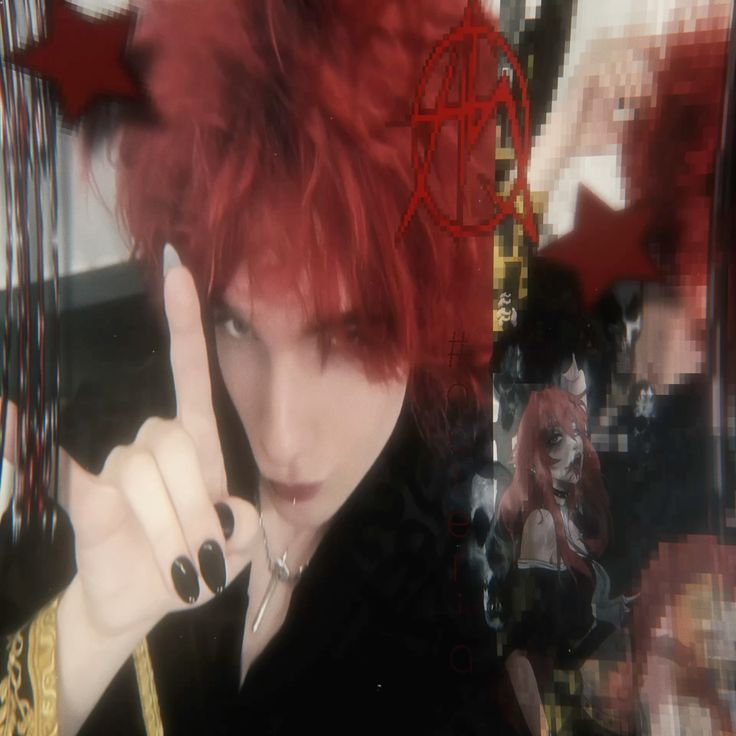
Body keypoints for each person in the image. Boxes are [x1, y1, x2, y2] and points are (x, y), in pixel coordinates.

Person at [0, 1, 500, 734]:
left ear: (424, 307)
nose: (282, 437)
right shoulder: (110, 459)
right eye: (237, 323)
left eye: (351, 335)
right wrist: (90, 631)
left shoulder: (442, 566)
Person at [490, 387, 612, 735]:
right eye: (557, 438)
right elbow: (524, 652)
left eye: (577, 433)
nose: (575, 448)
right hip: (549, 708)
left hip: (571, 698)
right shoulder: (541, 523)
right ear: (533, 453)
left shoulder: (567, 515)